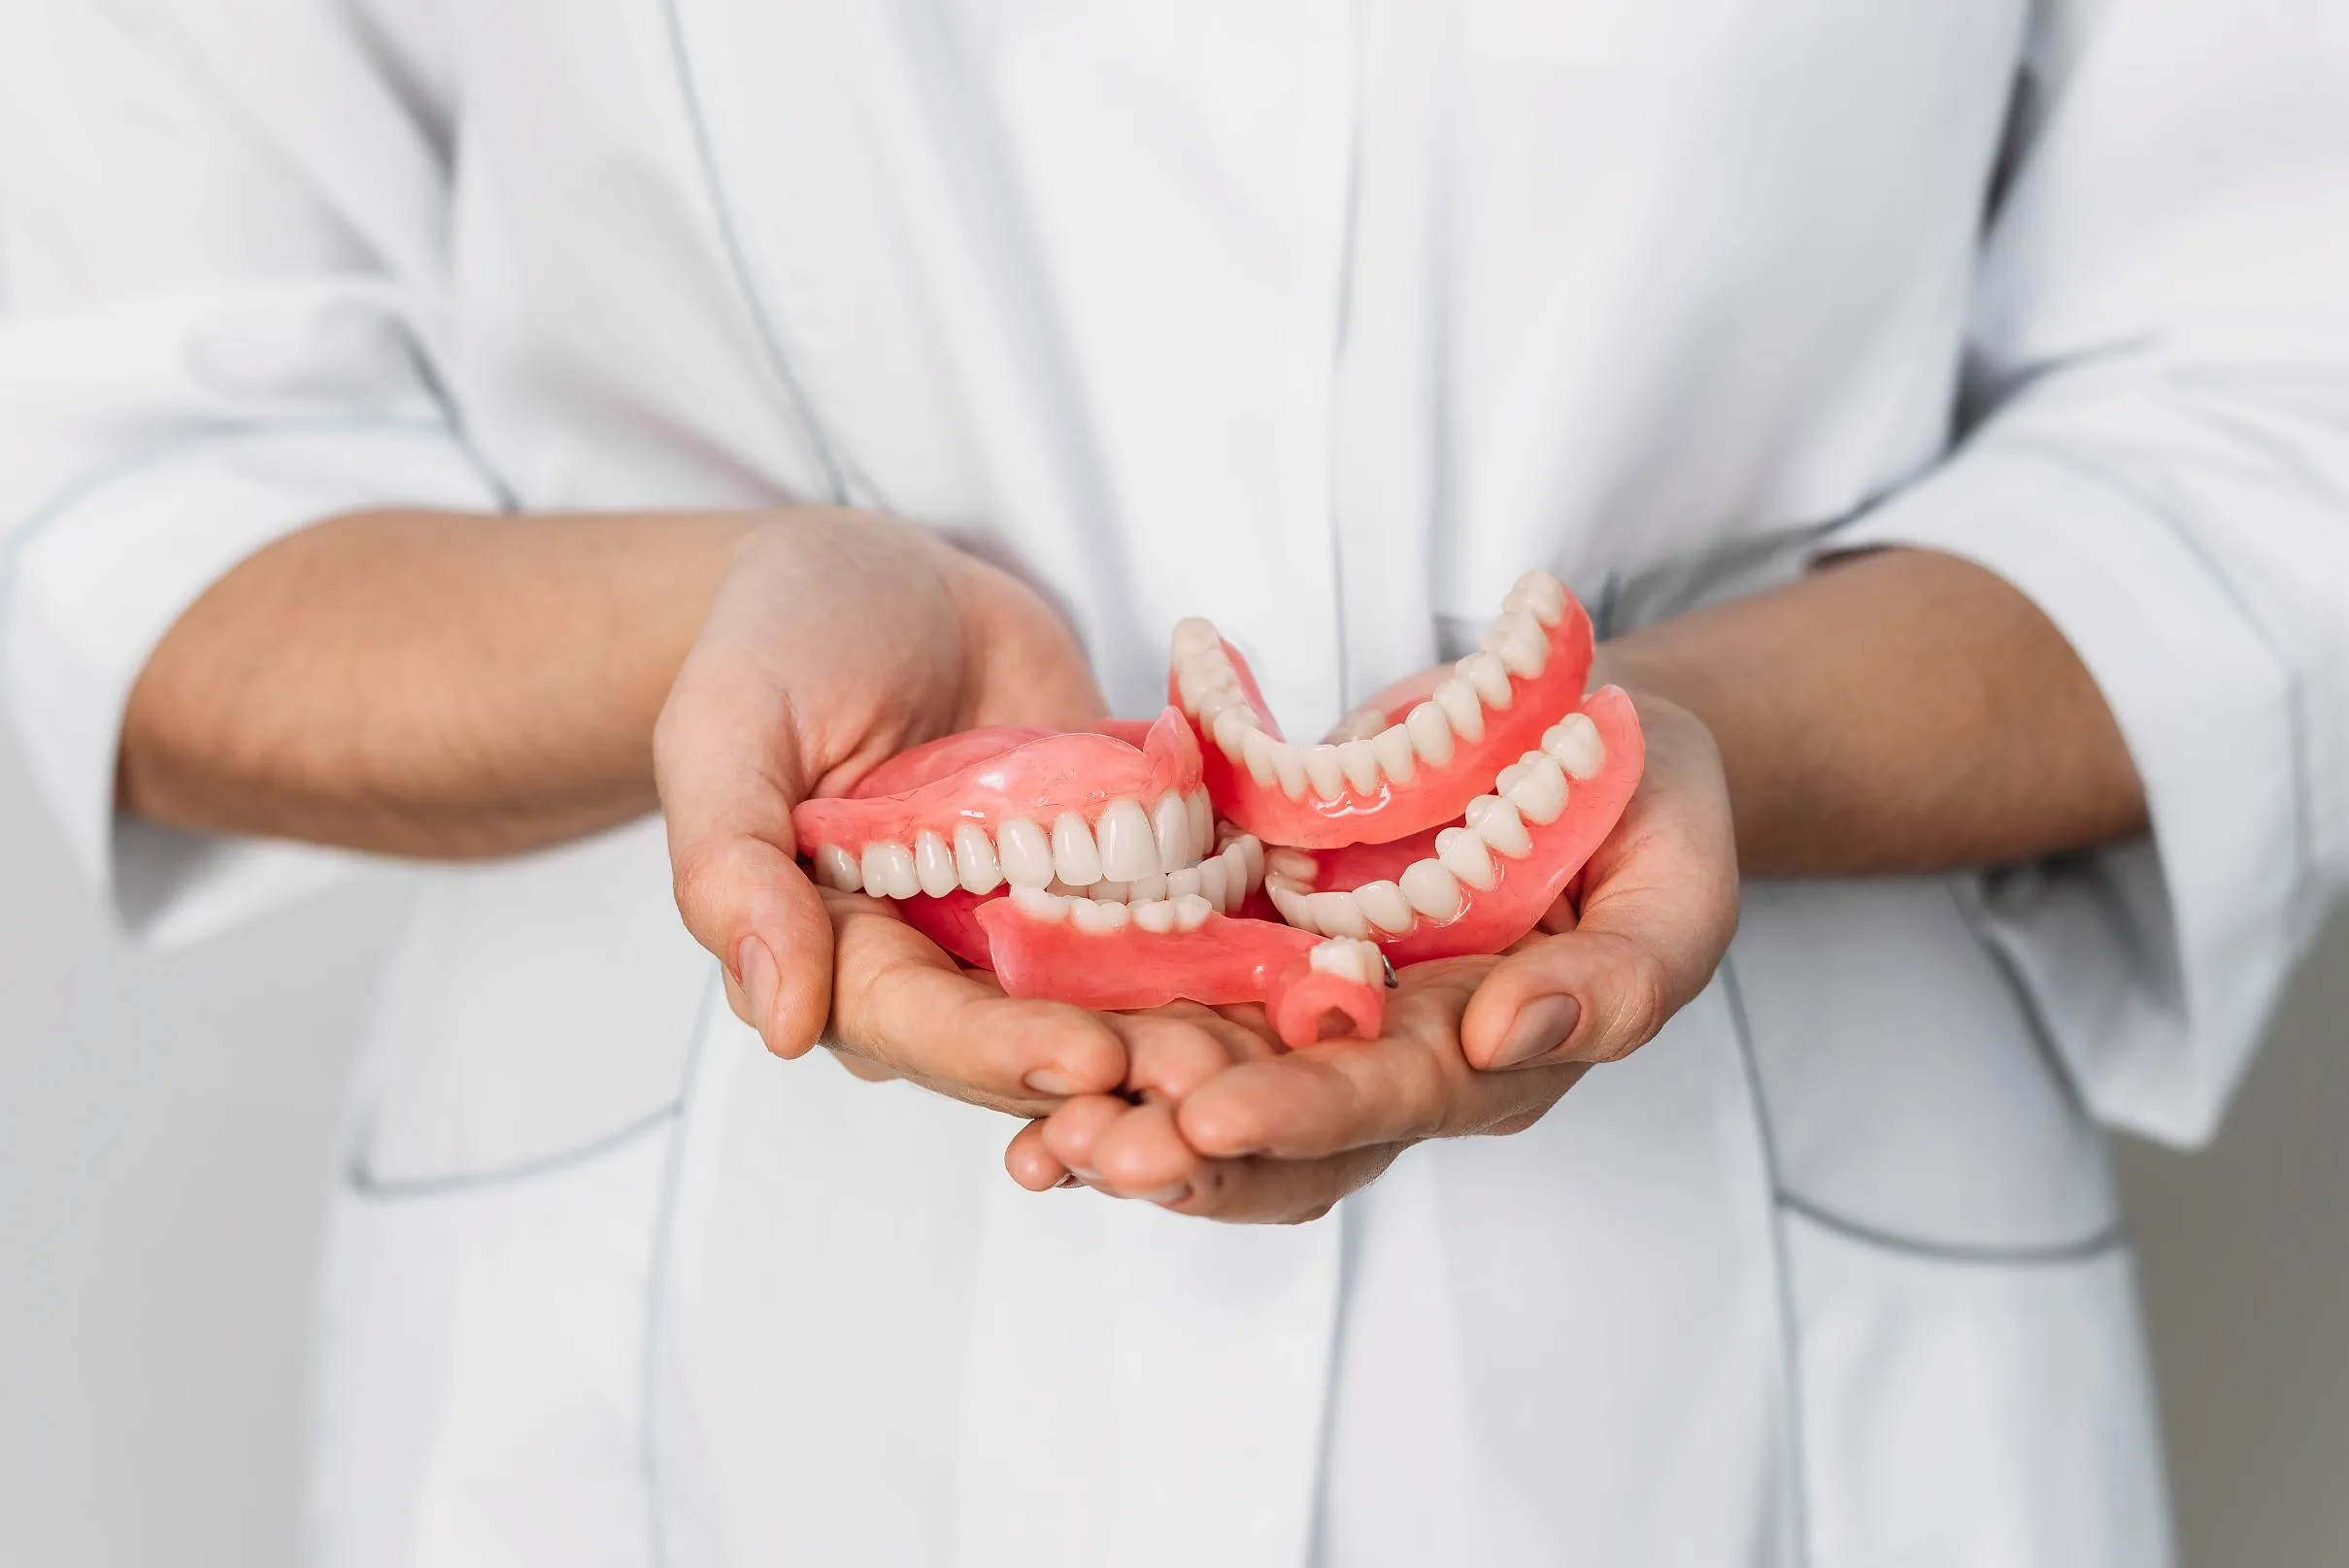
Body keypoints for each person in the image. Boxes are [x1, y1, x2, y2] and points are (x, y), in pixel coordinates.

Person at [4, 3, 2344, 1564]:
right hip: (680, 1393)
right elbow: (133, 472)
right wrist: (705, 624)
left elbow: (2273, 418)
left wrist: (1704, 736)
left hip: (1733, 1390)